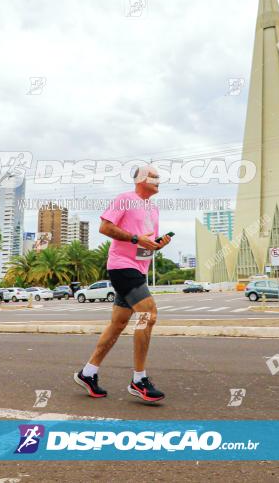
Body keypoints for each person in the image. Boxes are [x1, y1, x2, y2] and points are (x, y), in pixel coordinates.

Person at [74, 164, 171, 402]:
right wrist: (137, 238)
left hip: (139, 268)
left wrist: (157, 245)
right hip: (121, 266)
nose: (159, 180)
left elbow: (144, 243)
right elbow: (105, 227)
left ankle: (88, 373)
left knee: (117, 325)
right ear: (140, 179)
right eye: (153, 176)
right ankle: (139, 380)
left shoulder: (154, 209)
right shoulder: (125, 199)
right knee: (149, 315)